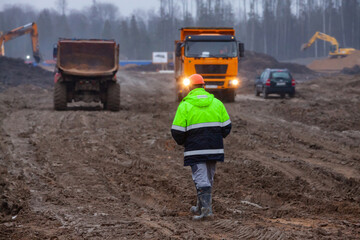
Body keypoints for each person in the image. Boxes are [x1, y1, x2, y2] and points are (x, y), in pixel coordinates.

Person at [171, 74, 232, 220]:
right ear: (204, 86)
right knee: (208, 178)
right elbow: (227, 127)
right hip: (214, 148)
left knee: (200, 178)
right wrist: (215, 138)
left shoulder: (185, 105)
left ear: (189, 88)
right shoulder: (217, 103)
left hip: (196, 149)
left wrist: (185, 143)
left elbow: (177, 131)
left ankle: (206, 212)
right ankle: (201, 206)